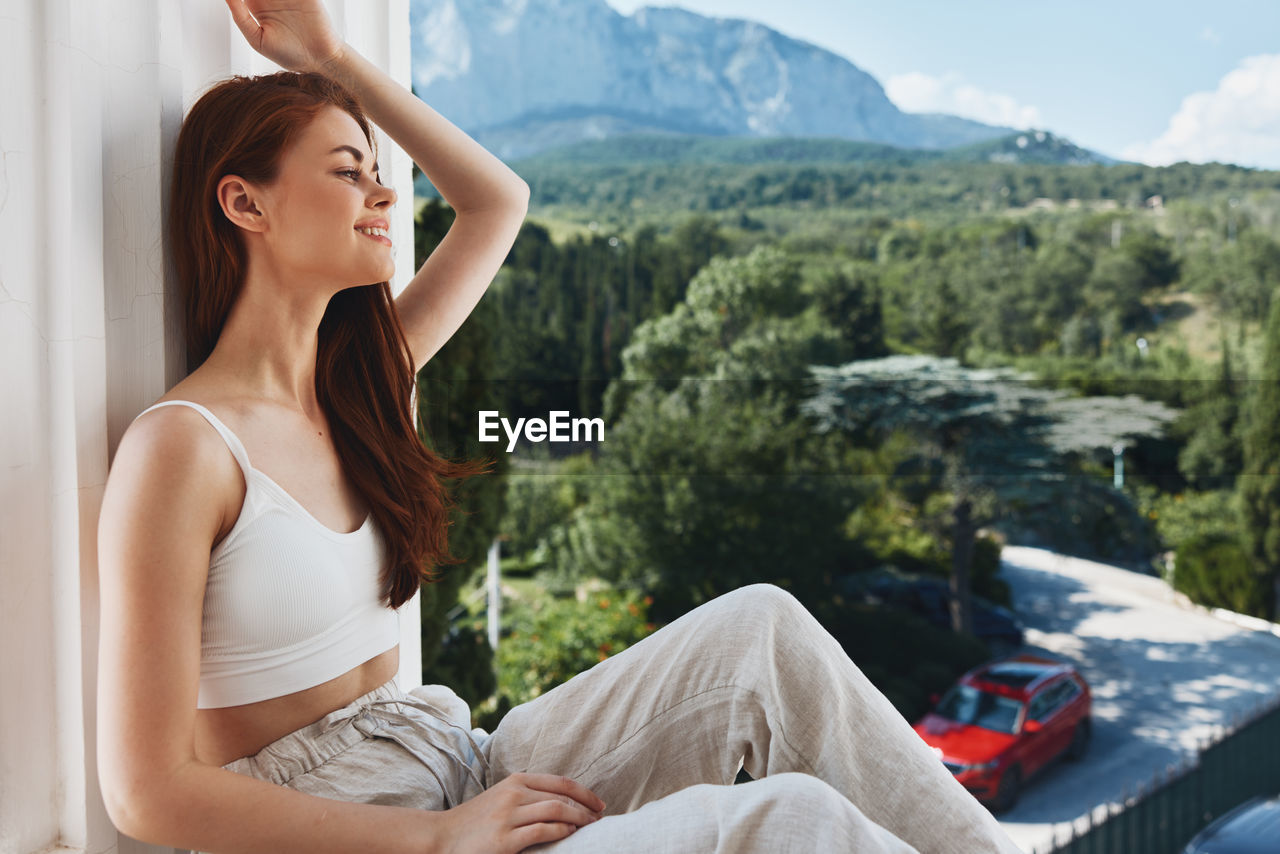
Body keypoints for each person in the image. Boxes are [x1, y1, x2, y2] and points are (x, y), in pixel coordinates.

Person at [94, 2, 1027, 852]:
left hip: (458, 761)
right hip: (373, 832)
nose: (384, 195)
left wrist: (336, 59)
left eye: (380, 172)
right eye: (349, 174)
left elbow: (496, 201)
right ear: (243, 201)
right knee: (797, 822)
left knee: (762, 633)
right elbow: (146, 793)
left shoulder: (365, 388)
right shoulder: (183, 447)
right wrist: (437, 840)